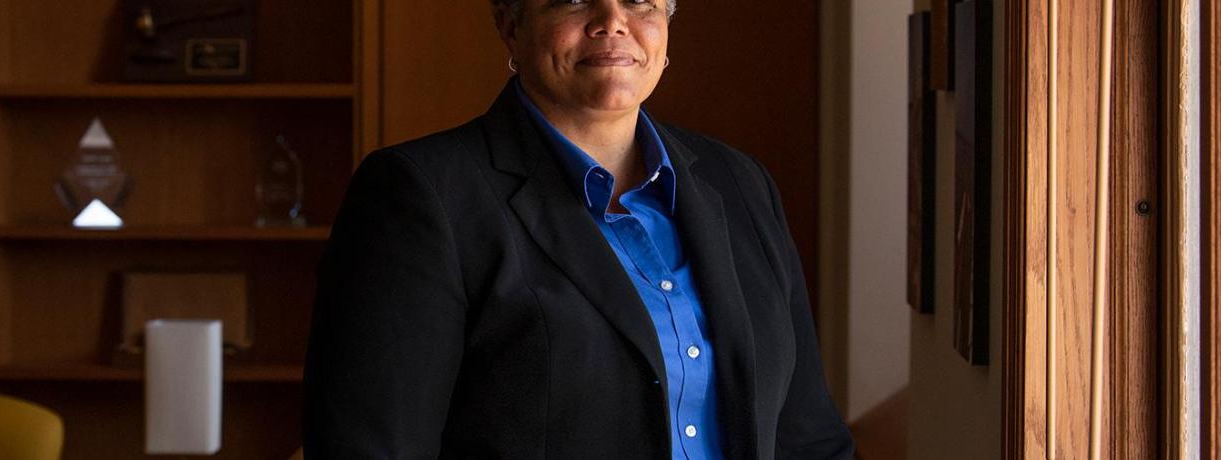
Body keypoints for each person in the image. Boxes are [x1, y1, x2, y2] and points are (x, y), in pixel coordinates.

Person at [302, 0, 855, 458]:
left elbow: (807, 437)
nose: (612, 19)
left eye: (640, 0)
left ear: (666, 24)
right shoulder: (421, 195)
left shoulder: (739, 184)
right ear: (511, 25)